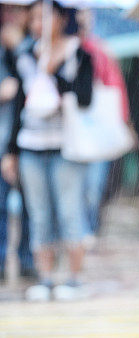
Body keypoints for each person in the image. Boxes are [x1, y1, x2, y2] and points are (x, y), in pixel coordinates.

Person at [1, 0, 93, 301]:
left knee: (69, 212)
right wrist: (11, 151)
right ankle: (45, 278)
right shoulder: (25, 55)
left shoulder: (78, 52)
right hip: (31, 146)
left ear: (60, 17)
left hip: (67, 147)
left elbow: (84, 98)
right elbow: (18, 107)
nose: (40, 22)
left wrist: (54, 73)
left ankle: (75, 277)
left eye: (46, 15)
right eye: (35, 16)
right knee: (38, 214)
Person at [76, 8, 129, 245]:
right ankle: (80, 229)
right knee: (78, 186)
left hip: (98, 128)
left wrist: (122, 121)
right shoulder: (66, 50)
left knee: (94, 186)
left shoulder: (100, 51)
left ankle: (90, 229)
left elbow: (116, 89)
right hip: (73, 129)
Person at [0, 10, 35, 283]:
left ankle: (27, 260)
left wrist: (19, 50)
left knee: (30, 206)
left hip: (28, 139)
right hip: (6, 139)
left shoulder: (33, 47)